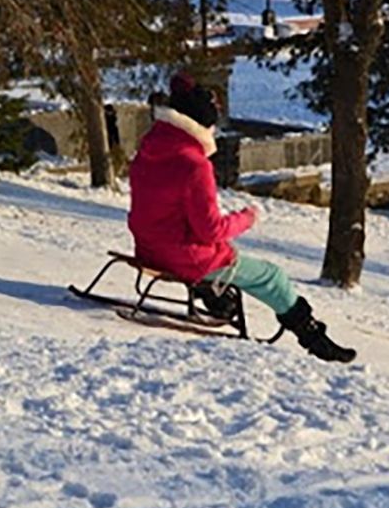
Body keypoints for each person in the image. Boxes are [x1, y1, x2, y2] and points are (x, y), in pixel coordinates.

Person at [127, 71, 356, 363]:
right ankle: (314, 338)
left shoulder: (149, 149)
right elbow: (210, 230)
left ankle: (218, 300)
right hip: (182, 257)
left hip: (149, 247)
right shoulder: (193, 164)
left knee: (230, 262)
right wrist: (247, 217)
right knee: (273, 277)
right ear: (202, 125)